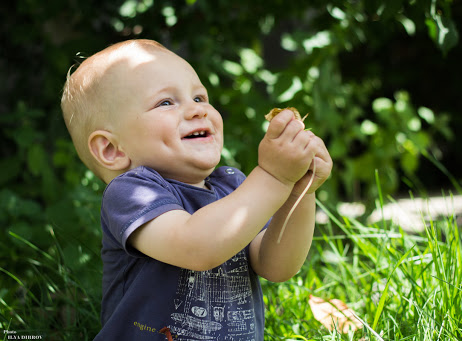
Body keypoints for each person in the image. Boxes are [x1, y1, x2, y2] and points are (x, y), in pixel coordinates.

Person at [61, 39, 332, 340]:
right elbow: (196, 247)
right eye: (166, 102)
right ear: (112, 149)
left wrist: (299, 191)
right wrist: (274, 178)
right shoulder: (130, 194)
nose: (197, 111)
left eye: (200, 98)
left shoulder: (232, 186)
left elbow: (277, 266)